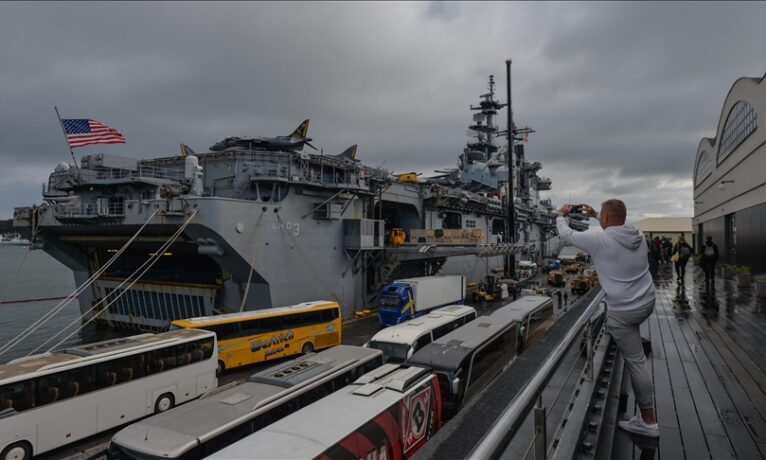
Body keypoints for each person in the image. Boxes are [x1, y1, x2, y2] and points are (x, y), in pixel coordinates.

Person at [557, 200, 658, 438]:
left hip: (623, 311)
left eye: (600, 216)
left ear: (604, 219)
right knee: (638, 359)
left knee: (637, 362)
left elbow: (566, 234)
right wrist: (595, 215)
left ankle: (649, 421)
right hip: (647, 301)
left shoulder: (598, 239)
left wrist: (560, 214)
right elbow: (617, 226)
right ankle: (646, 417)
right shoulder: (637, 234)